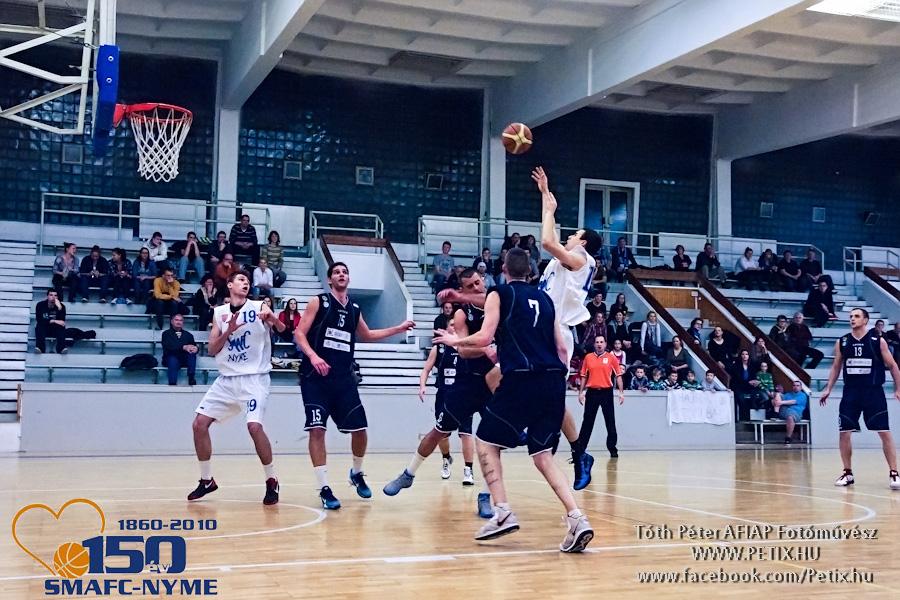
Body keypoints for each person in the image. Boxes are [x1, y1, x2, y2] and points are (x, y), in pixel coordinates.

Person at [433, 248, 594, 552]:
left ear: (503, 269)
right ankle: (576, 518)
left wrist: (455, 340)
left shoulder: (500, 293)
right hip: (553, 381)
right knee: (543, 455)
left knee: (485, 441)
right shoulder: (545, 299)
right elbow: (562, 349)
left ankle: (503, 511)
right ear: (530, 272)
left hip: (522, 377)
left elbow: (484, 338)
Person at [295, 262, 415, 510]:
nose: (341, 275)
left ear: (348, 279)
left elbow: (367, 335)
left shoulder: (354, 309)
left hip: (343, 380)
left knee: (360, 430)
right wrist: (314, 357)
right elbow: (299, 333)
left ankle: (356, 473)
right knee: (317, 430)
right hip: (315, 379)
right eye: (336, 272)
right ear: (330, 280)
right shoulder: (319, 302)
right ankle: (324, 488)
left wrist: (398, 328)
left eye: (345, 272)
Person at [383, 269, 494, 518]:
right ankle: (408, 474)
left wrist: (482, 345)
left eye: (478, 282)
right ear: (462, 290)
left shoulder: (496, 302)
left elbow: (477, 338)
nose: (477, 288)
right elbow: (464, 351)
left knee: (490, 442)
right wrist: (486, 346)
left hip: (493, 382)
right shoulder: (462, 314)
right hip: (466, 383)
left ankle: (485, 495)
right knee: (438, 431)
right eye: (470, 286)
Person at [187, 271, 286, 505]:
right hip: (227, 380)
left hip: (254, 379)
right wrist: (229, 330)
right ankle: (206, 480)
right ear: (230, 285)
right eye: (241, 280)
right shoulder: (219, 313)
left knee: (254, 427)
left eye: (248, 281)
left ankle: (271, 480)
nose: (245, 283)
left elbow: (282, 329)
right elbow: (212, 350)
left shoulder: (259, 306)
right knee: (199, 424)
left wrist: (272, 318)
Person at [532, 166, 604, 489]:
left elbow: (548, 240)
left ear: (583, 242)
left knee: (552, 399)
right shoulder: (563, 262)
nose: (570, 237)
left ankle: (578, 452)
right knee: (542, 394)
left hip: (557, 335)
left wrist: (549, 209)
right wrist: (546, 196)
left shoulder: (582, 260)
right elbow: (552, 239)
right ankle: (568, 446)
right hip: (542, 331)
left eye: (574, 234)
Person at [820, 308, 900, 489]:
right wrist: (828, 388)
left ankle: (894, 473)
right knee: (844, 432)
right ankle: (847, 473)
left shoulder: (877, 341)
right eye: (851, 316)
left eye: (856, 316)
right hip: (851, 393)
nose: (852, 319)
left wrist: (898, 388)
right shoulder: (843, 341)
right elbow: (836, 367)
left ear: (865, 320)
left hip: (873, 392)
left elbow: (893, 366)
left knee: (884, 432)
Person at [417, 338, 474, 483]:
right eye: (451, 326)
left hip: (464, 396)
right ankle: (446, 458)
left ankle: (468, 469)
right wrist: (422, 386)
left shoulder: (468, 346)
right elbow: (426, 369)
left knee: (466, 433)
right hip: (444, 396)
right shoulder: (439, 348)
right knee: (442, 434)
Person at [578, 335, 625, 460]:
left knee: (610, 421)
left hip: (606, 392)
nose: (599, 344)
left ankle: (612, 449)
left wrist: (621, 393)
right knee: (587, 421)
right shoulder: (588, 357)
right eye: (597, 342)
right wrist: (581, 392)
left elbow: (618, 375)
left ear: (605, 344)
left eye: (601, 342)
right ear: (594, 344)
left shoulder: (611, 358)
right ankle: (580, 449)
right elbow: (583, 376)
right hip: (592, 392)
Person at [34, 290, 94, 354]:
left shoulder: (61, 306)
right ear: (47, 296)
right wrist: (54, 321)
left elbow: (62, 321)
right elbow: (39, 320)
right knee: (40, 326)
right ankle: (40, 348)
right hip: (44, 329)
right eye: (51, 295)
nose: (53, 297)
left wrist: (59, 308)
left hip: (55, 330)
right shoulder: (40, 305)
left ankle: (61, 349)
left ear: (57, 297)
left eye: (55, 295)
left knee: (61, 327)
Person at [162, 314, 198, 386]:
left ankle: (191, 377)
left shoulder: (188, 335)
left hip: (184, 358)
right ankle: (172, 383)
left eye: (181, 320)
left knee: (192, 354)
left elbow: (193, 345)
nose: (178, 322)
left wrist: (196, 349)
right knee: (172, 360)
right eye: (176, 320)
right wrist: (183, 347)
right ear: (172, 321)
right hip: (170, 357)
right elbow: (169, 347)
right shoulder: (166, 334)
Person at [773, 380, 808, 444]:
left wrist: (781, 402)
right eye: (794, 385)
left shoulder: (803, 395)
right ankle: (776, 413)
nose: (795, 387)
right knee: (778, 394)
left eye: (797, 385)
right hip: (784, 412)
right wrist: (776, 395)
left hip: (796, 413)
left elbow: (793, 401)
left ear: (801, 387)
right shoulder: (788, 394)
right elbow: (777, 399)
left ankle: (788, 438)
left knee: (790, 417)